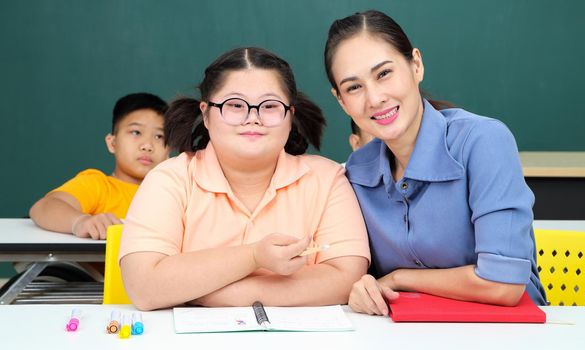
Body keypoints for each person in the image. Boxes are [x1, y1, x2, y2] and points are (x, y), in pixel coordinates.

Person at [324, 10, 546, 315]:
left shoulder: (483, 142)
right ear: (341, 101)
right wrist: (363, 288)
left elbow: (503, 286)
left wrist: (400, 279)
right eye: (354, 87)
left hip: (506, 332)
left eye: (384, 73)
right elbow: (357, 276)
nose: (374, 98)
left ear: (416, 65)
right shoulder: (357, 173)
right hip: (407, 333)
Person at [119, 47, 370, 311]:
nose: (253, 118)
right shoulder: (168, 180)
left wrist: (198, 290)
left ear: (290, 115)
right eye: (235, 105)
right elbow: (144, 286)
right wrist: (253, 256)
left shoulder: (327, 179)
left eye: (270, 106)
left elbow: (346, 277)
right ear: (205, 114)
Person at [30, 93, 170, 240]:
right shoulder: (98, 185)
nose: (147, 146)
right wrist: (80, 221)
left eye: (159, 136)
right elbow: (43, 207)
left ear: (169, 151)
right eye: (136, 132)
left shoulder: (176, 194)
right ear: (112, 143)